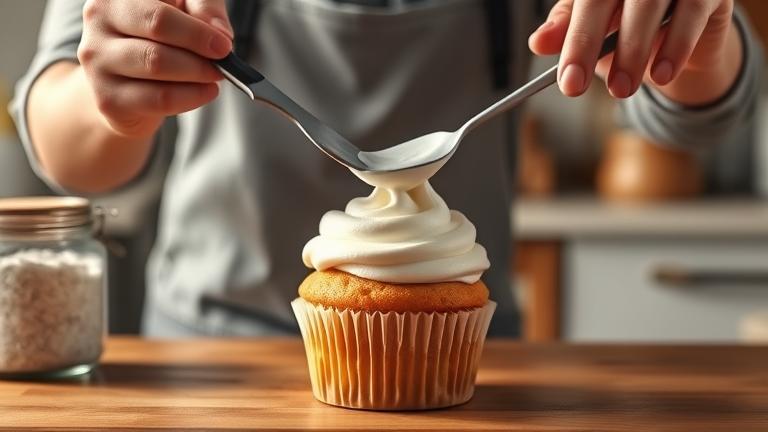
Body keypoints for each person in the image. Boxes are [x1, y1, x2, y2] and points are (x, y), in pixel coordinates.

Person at [10, 0, 762, 337]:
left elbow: (697, 111)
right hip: (210, 357)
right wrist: (116, 102)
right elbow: (63, 138)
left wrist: (691, 47)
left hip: (470, 357)